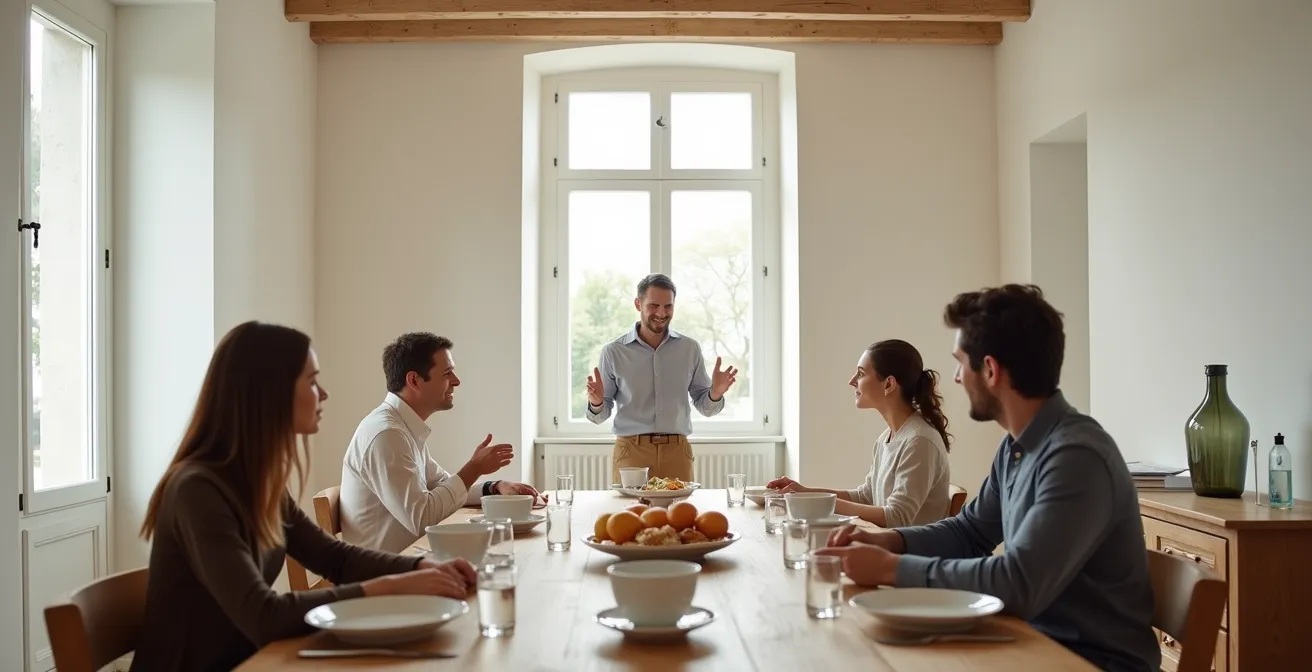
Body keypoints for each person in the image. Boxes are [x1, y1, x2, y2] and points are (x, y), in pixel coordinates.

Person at [818, 285, 1158, 671]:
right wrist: (888, 542)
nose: (956, 377)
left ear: (991, 370)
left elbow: (1018, 584)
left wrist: (889, 568)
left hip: (1087, 661)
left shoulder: (1076, 457)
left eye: (961, 363)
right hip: (1029, 640)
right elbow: (970, 533)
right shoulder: (1017, 446)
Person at [132, 322, 475, 672]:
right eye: (311, 382)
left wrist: (421, 566)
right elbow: (263, 615)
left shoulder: (256, 482)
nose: (323, 394)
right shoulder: (197, 490)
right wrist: (392, 585)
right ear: (270, 392)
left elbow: (334, 558)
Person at [340, 332, 540, 553]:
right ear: (414, 380)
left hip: (407, 564)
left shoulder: (402, 428)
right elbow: (423, 518)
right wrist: (474, 468)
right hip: (382, 578)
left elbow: (442, 488)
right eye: (447, 373)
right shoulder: (386, 435)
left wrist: (493, 487)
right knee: (504, 558)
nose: (456, 380)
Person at [767, 339, 952, 527]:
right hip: (884, 545)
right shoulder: (887, 438)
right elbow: (866, 496)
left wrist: (823, 503)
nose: (852, 381)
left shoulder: (919, 441)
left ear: (889, 384)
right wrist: (805, 492)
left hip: (909, 553)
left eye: (861, 373)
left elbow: (897, 517)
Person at [585, 273, 738, 484]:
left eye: (668, 306)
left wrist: (715, 393)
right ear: (638, 304)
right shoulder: (613, 352)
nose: (661, 313)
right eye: (654, 305)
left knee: (681, 515)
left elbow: (705, 407)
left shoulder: (690, 349)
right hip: (631, 452)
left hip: (677, 452)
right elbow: (599, 416)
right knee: (629, 515)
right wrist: (597, 402)